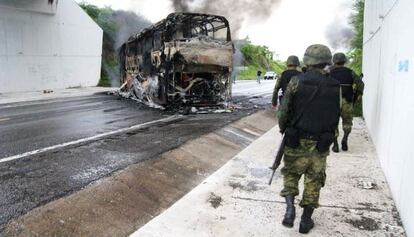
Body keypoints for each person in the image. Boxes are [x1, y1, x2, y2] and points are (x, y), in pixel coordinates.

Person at [277, 44, 340, 234]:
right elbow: (335, 113)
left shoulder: (296, 81)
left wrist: (284, 129)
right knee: (314, 181)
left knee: (290, 174)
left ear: (308, 61)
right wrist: (332, 136)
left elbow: (284, 111)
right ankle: (305, 221)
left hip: (296, 139)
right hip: (321, 142)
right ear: (326, 61)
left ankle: (290, 210)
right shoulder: (335, 85)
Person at [329, 52, 364, 152]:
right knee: (347, 122)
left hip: (333, 102)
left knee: (333, 123)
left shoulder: (329, 73)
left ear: (334, 61)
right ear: (344, 61)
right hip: (347, 101)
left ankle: (335, 144)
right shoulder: (350, 72)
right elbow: (360, 84)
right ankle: (345, 138)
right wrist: (359, 94)